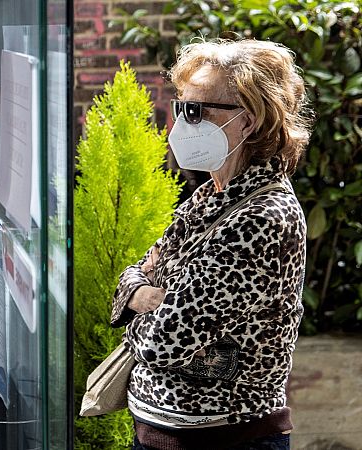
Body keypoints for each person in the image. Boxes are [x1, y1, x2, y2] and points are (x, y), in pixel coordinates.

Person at [111, 39, 311, 450]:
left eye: (195, 110)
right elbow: (135, 274)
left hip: (226, 439)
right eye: (180, 105)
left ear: (250, 121)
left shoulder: (261, 219)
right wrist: (141, 290)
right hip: (164, 434)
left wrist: (142, 303)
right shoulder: (215, 195)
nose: (179, 123)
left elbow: (164, 342)